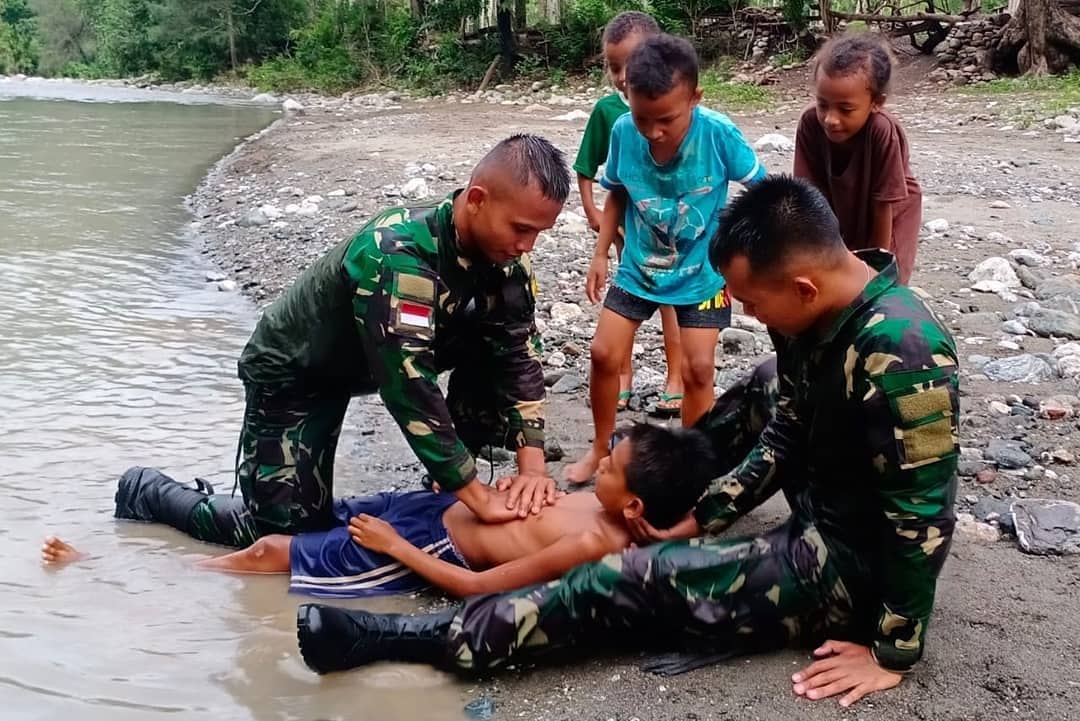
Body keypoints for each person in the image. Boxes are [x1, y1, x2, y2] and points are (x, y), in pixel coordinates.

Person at [293, 176, 960, 709]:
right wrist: (702, 515)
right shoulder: (814, 315)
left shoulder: (904, 355)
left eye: (754, 304)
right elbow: (786, 427)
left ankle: (414, 637)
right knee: (763, 383)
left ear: (804, 287)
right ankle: (669, 491)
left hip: (847, 562)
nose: (750, 316)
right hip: (829, 498)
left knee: (624, 577)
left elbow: (924, 514)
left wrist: (893, 650)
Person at [113, 134, 571, 549]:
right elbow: (409, 386)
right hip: (297, 371)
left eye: (538, 232)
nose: (527, 246)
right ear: (476, 200)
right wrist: (477, 496)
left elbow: (518, 356)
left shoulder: (508, 264)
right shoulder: (398, 255)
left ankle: (444, 482)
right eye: (520, 229)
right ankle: (149, 492)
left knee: (495, 345)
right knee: (281, 538)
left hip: (373, 361)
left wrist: (532, 469)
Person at [43, 425, 718, 601]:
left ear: (631, 501)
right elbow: (685, 521)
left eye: (608, 467)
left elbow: (478, 586)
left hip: (426, 548)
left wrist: (398, 549)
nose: (595, 468)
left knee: (270, 553)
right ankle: (147, 497)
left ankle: (110, 568)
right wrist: (525, 482)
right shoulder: (619, 508)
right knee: (301, 512)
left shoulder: (596, 543)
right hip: (431, 508)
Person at [565, 34, 766, 483]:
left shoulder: (718, 134)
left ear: (695, 97)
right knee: (603, 353)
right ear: (628, 97)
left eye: (666, 120)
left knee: (699, 369)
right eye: (643, 117)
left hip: (702, 274)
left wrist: (751, 261)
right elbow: (617, 193)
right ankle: (600, 448)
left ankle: (690, 468)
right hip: (639, 269)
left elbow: (763, 192)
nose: (653, 131)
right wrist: (600, 254)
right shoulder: (623, 132)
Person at [574, 11, 684, 416]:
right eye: (614, 66)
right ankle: (623, 375)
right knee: (626, 301)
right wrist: (593, 213)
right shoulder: (609, 113)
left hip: (674, 231)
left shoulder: (674, 105)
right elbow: (589, 167)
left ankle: (676, 378)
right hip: (629, 230)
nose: (622, 76)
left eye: (631, 64)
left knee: (673, 304)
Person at [794, 33, 922, 285]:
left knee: (885, 286)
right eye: (822, 104)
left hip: (891, 214)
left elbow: (883, 205)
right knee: (835, 278)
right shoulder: (810, 124)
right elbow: (807, 195)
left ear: (876, 102)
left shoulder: (881, 131)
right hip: (840, 206)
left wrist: (875, 268)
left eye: (846, 109)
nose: (831, 119)